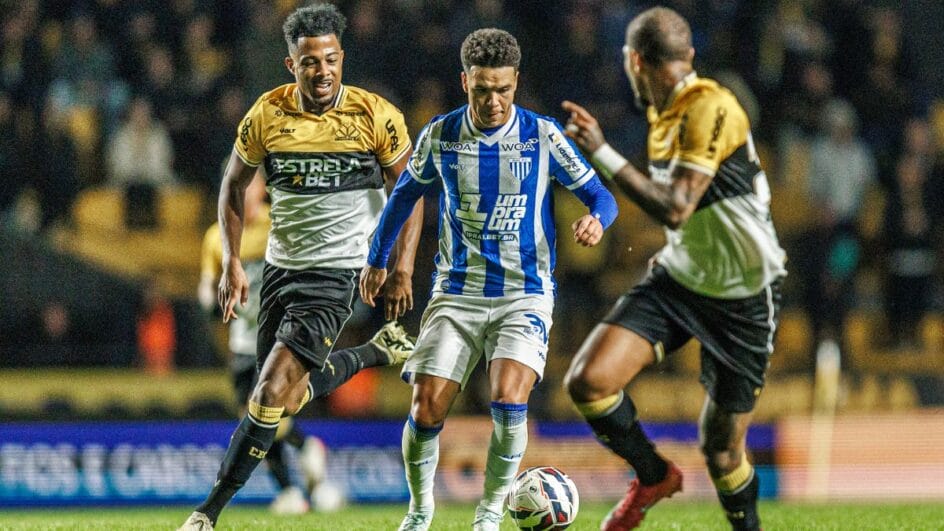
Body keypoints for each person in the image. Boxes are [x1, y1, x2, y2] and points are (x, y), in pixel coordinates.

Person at [360, 28, 618, 531]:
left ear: (515, 82)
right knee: (427, 404)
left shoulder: (542, 135)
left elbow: (601, 197)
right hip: (456, 293)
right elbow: (403, 198)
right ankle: (419, 511)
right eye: (482, 90)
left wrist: (596, 220)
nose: (494, 101)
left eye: (502, 89)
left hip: (525, 291)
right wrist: (379, 259)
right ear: (465, 82)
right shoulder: (440, 135)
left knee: (508, 395)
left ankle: (488, 514)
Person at [179, 4, 424, 530]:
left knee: (266, 393)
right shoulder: (267, 114)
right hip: (279, 272)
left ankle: (205, 514)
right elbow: (231, 188)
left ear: (342, 58)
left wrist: (399, 266)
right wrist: (230, 266)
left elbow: (411, 192)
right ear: (293, 65)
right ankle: (371, 353)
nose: (324, 71)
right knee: (280, 402)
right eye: (310, 61)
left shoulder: (375, 115)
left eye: (332, 59)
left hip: (339, 274)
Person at [561, 7, 786, 531]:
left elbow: (679, 204)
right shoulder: (664, 114)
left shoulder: (711, 105)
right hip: (682, 279)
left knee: (722, 450)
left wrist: (603, 154)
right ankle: (653, 474)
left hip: (744, 294)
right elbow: (700, 212)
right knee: (589, 381)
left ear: (634, 60)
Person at [197, 172, 328, 515]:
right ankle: (303, 450)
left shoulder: (279, 224)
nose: (244, 194)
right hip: (242, 342)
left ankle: (292, 487)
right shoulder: (218, 235)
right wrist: (211, 299)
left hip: (275, 338)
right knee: (250, 418)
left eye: (249, 186)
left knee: (261, 415)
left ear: (262, 190)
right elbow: (207, 285)